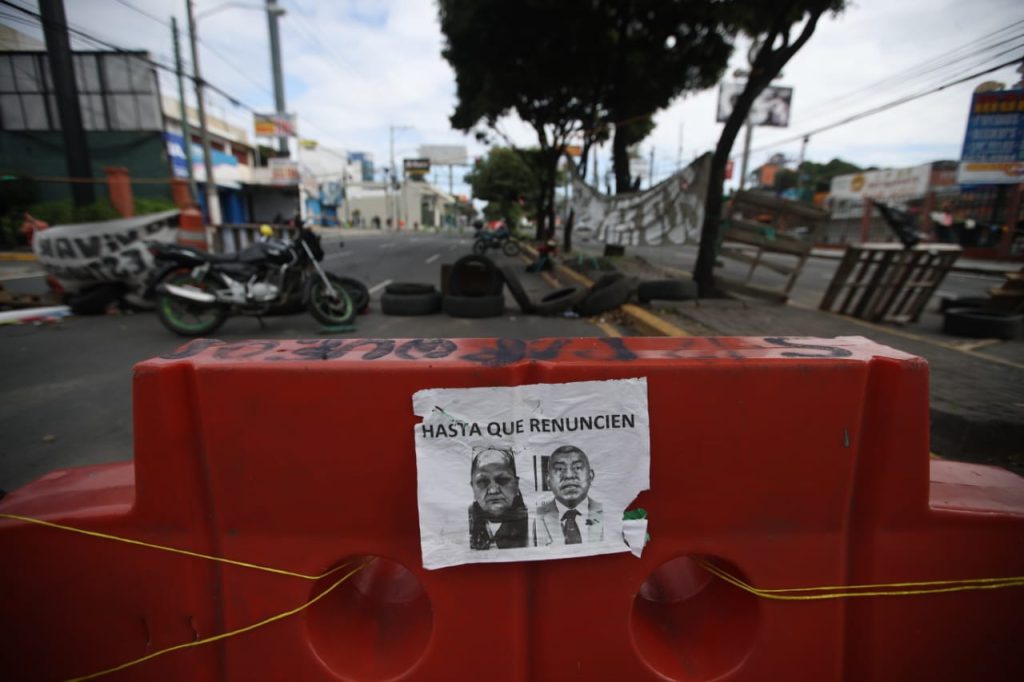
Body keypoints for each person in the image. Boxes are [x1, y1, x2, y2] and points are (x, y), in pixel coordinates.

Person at [535, 445, 603, 546]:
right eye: (559, 469)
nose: (569, 475)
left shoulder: (609, 511)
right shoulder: (534, 516)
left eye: (578, 467)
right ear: (548, 480)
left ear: (590, 475)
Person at [468, 448, 529, 550]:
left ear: (516, 485)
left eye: (503, 480)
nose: (493, 490)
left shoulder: (536, 524)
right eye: (483, 481)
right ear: (473, 487)